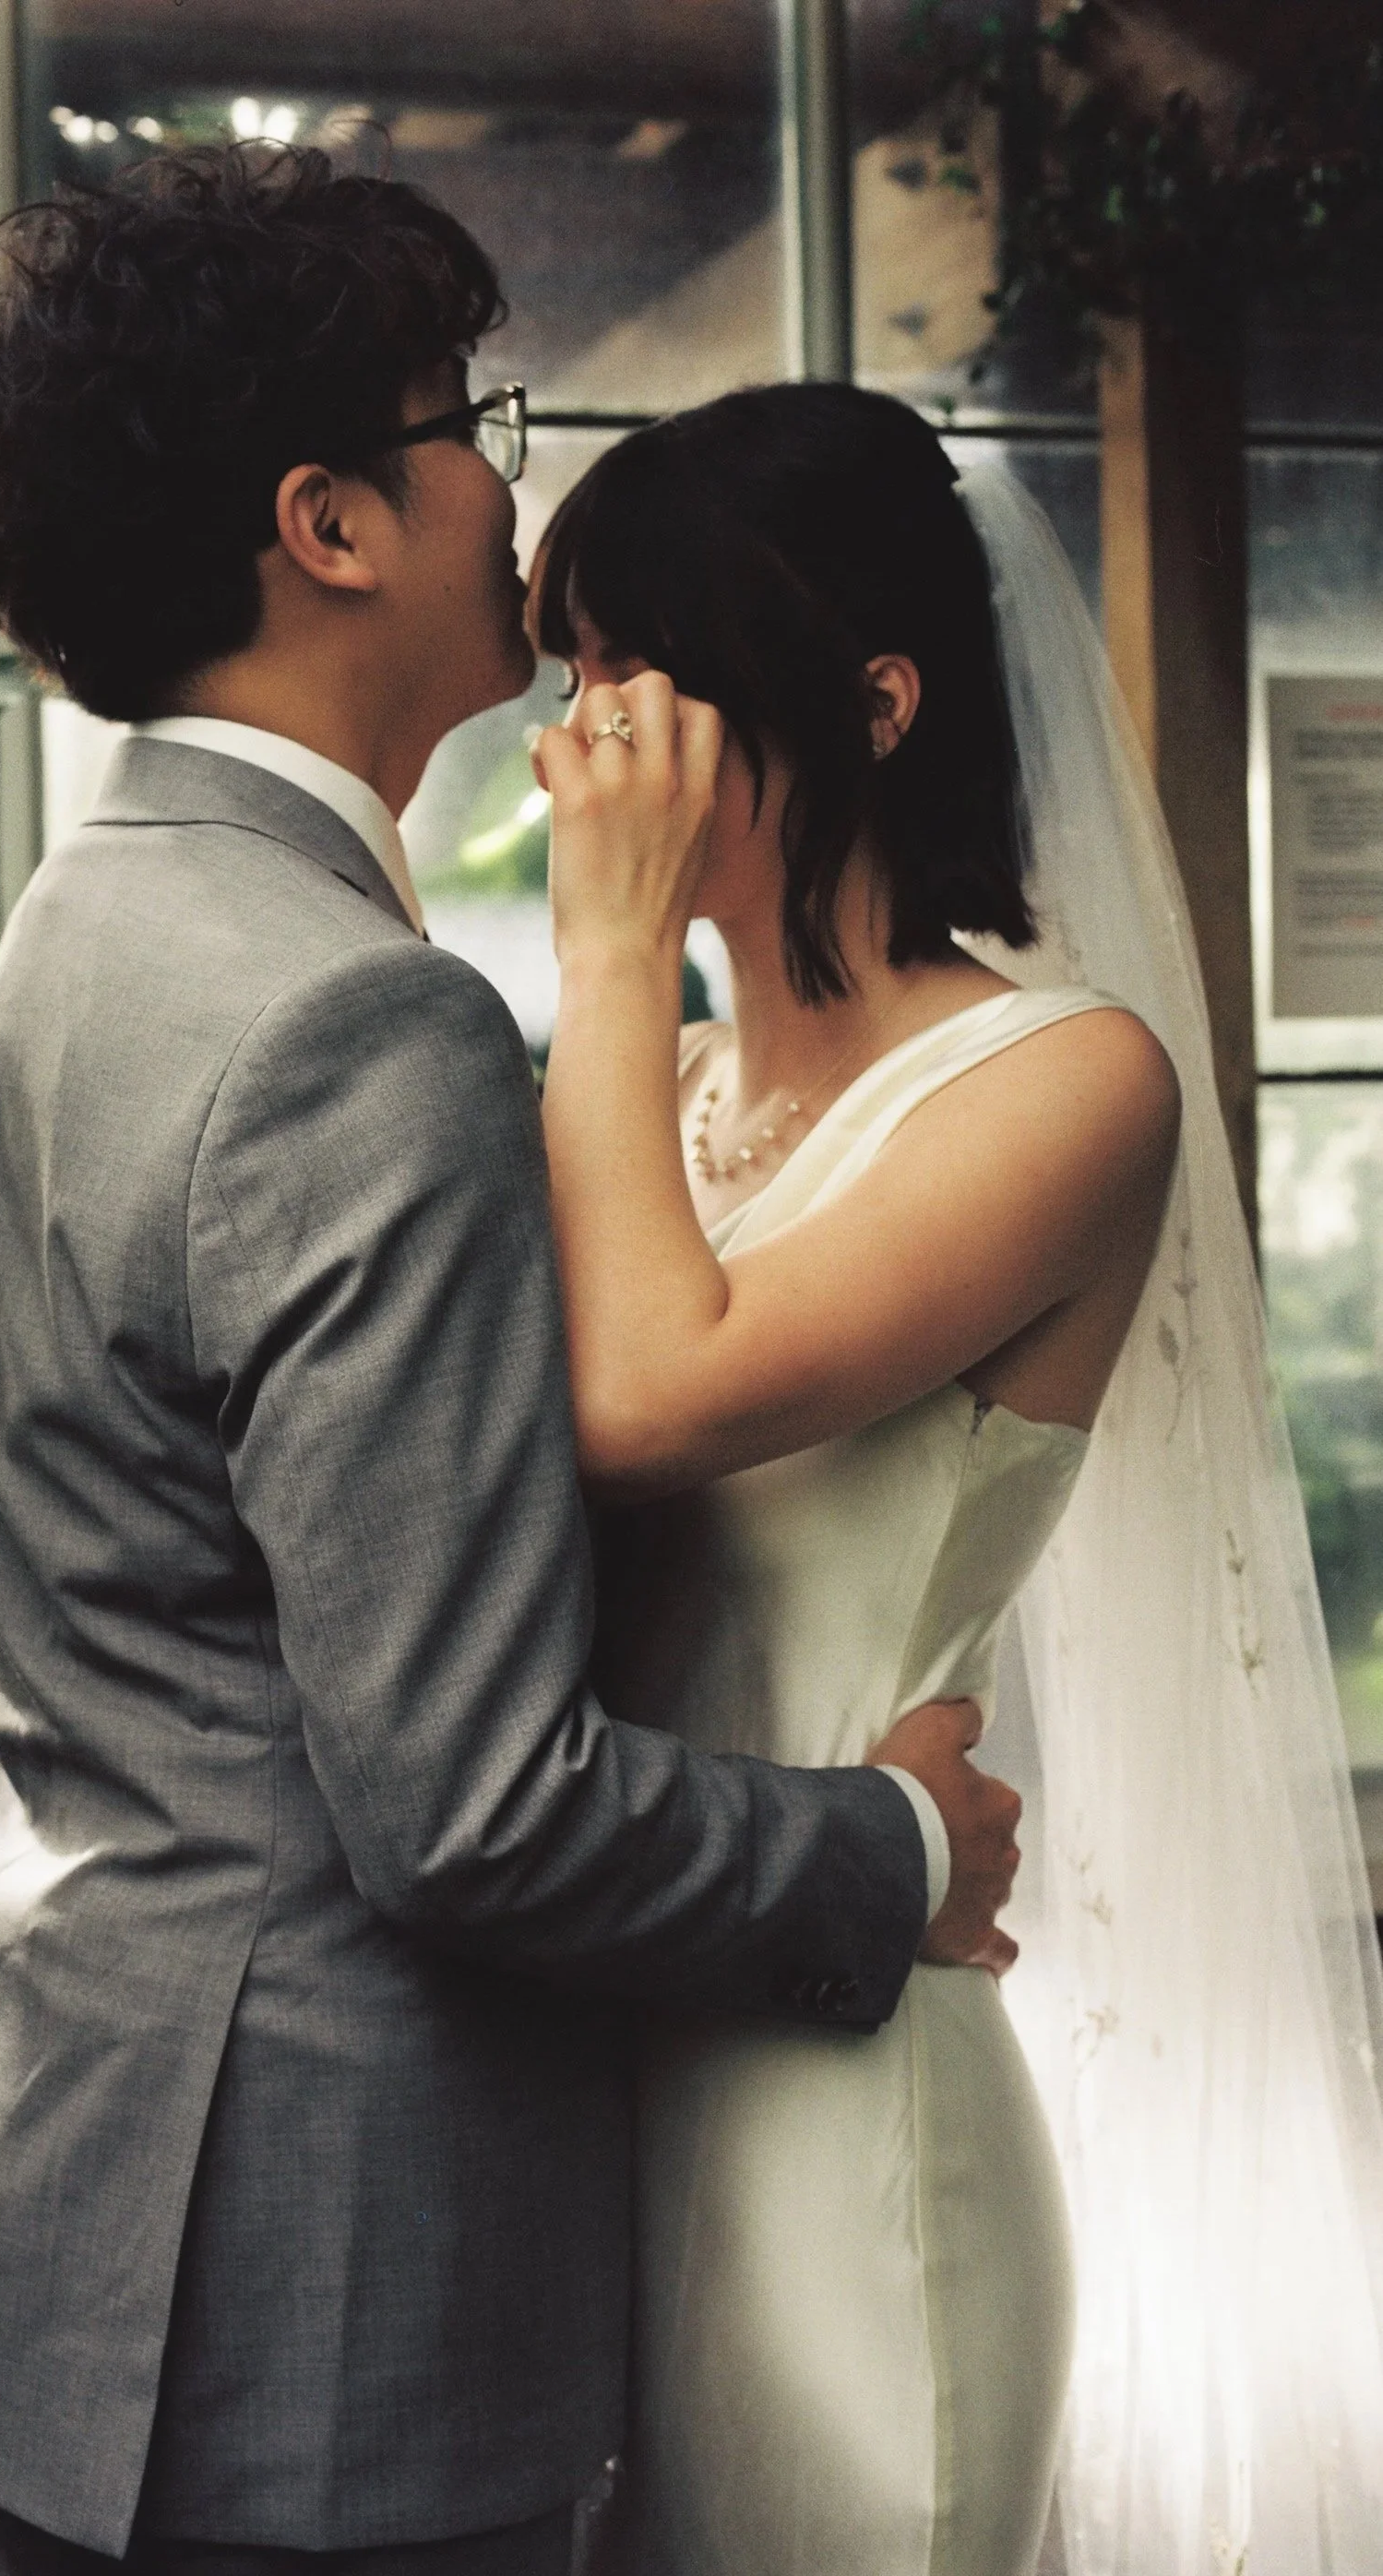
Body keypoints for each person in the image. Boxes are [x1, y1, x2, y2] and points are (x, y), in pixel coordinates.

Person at [0, 149, 1025, 2576]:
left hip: (69, 2224)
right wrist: (888, 1844)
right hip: (318, 2304)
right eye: (461, 421)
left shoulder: (77, 921)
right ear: (327, 523)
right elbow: (464, 1805)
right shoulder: (354, 1027)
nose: (506, 479)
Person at [530, 382, 1383, 2575]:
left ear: (871, 701)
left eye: (640, 679)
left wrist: (603, 956)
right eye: (571, 683)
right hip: (583, 2056)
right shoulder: (655, 1083)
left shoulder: (1065, 1081)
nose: (582, 749)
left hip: (843, 2125)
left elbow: (645, 1394)